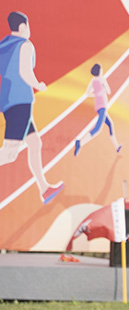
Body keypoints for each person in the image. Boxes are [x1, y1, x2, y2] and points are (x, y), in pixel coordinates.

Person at [0, 11, 64, 204]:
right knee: (10, 152)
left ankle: (44, 189)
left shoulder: (4, 44)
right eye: (28, 26)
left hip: (8, 100)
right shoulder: (25, 45)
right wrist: (39, 85)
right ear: (22, 27)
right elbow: (25, 72)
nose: (29, 30)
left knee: (35, 143)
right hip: (21, 101)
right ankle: (44, 189)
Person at [74, 63, 121, 156]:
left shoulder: (93, 81)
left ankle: (116, 146)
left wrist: (95, 93)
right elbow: (109, 91)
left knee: (110, 124)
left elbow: (87, 93)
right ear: (99, 71)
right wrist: (102, 87)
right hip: (103, 106)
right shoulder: (102, 79)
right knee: (97, 129)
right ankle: (80, 143)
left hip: (98, 106)